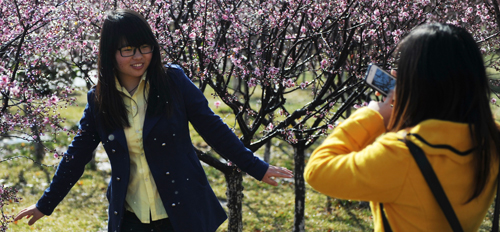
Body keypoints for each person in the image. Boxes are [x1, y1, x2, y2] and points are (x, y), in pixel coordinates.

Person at [14, 9, 292, 232]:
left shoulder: (172, 81)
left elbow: (212, 127)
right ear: (110, 53)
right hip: (131, 216)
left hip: (182, 211)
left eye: (145, 47)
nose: (139, 57)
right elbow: (77, 155)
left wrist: (255, 166)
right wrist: (45, 204)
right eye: (128, 50)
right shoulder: (100, 99)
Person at [304, 23, 500, 231]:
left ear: (417, 84)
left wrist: (371, 115)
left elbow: (317, 171)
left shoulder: (401, 154)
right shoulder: (491, 139)